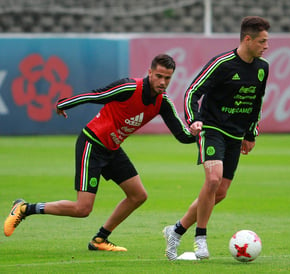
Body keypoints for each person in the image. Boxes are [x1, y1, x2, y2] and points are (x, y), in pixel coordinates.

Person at [4, 54, 195, 251]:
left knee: (138, 195)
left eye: (167, 78)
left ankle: (100, 240)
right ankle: (25, 208)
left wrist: (202, 132)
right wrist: (63, 103)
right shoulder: (129, 87)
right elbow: (95, 95)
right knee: (82, 209)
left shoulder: (163, 103)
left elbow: (183, 135)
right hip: (92, 143)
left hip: (112, 149)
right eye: (159, 76)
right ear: (149, 73)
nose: (163, 82)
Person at [163, 16, 270, 260]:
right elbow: (192, 91)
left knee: (219, 192)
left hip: (235, 134)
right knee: (213, 180)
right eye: (262, 41)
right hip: (211, 129)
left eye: (267, 41)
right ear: (247, 39)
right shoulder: (222, 63)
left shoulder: (263, 67)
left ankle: (176, 230)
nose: (266, 46)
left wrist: (250, 133)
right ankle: (200, 238)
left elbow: (256, 102)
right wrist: (193, 120)